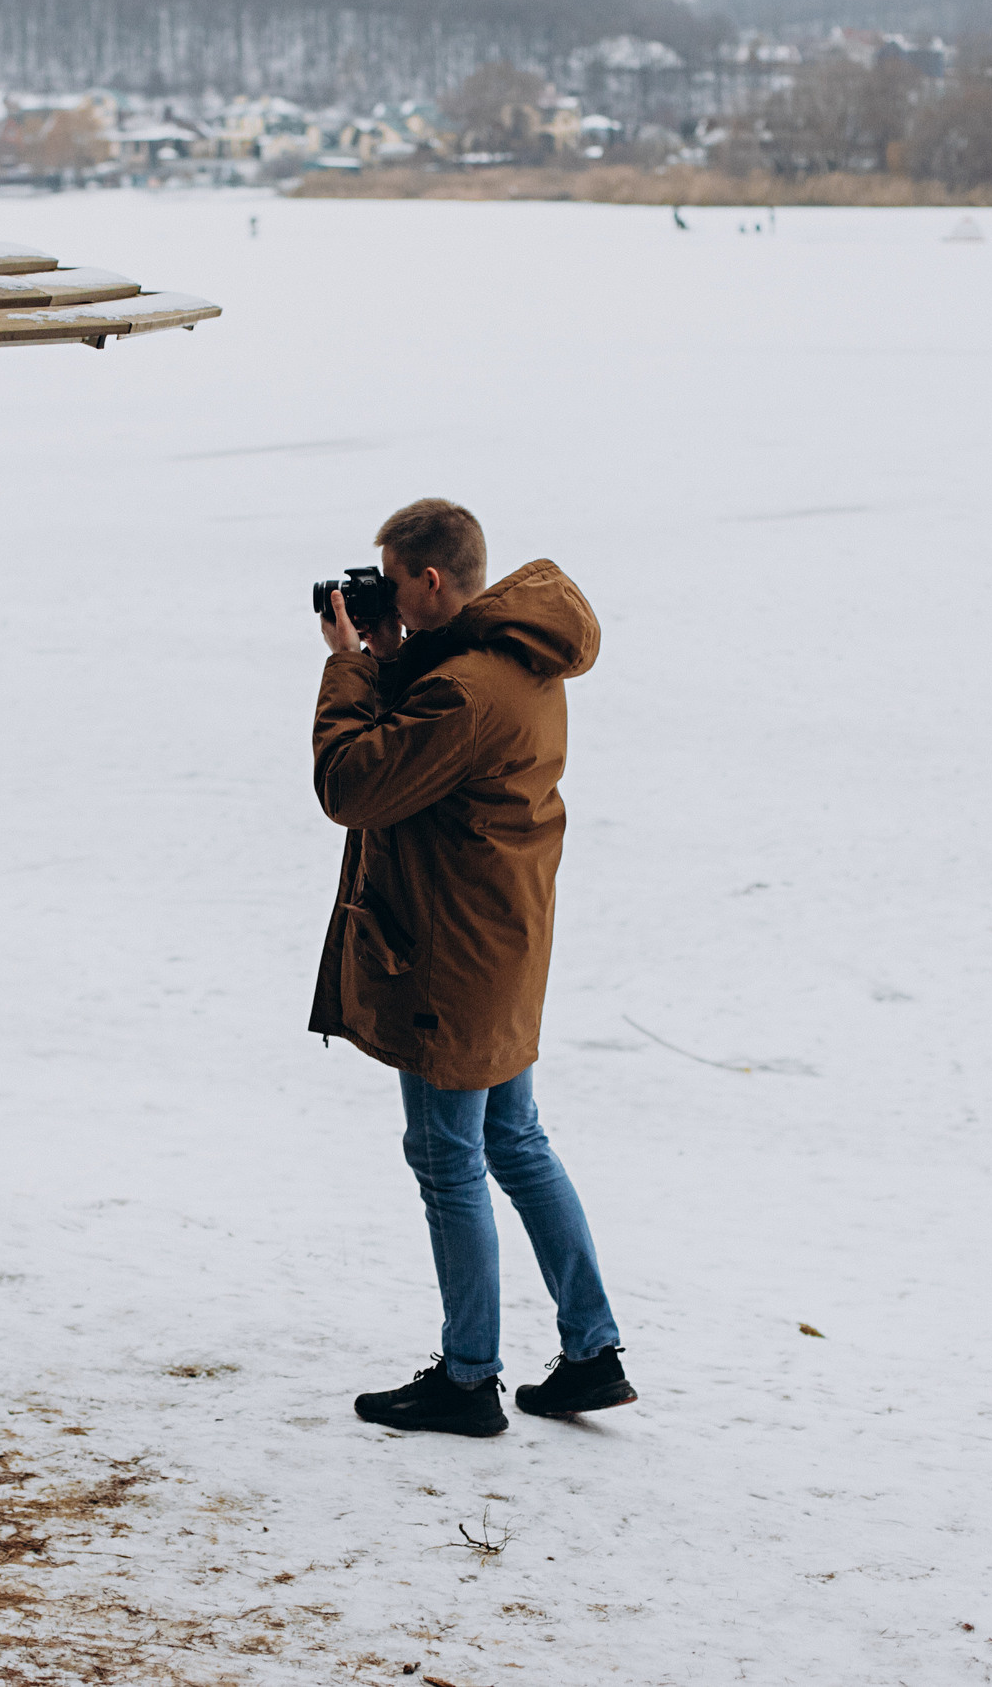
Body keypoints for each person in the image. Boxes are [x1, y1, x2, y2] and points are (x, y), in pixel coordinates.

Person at [311, 498, 634, 1437]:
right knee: (516, 1141)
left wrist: (345, 666)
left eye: (400, 587)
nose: (394, 604)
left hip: (451, 955)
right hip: (502, 941)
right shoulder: (511, 656)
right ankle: (591, 1349)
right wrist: (385, 649)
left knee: (446, 1157)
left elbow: (354, 783)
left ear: (433, 581)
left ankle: (467, 1378)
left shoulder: (468, 689)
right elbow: (431, 709)